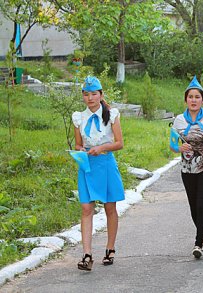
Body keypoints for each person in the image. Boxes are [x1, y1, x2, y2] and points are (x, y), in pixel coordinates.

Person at [72, 76, 125, 271]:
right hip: (87, 165)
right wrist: (81, 150)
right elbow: (78, 142)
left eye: (94, 94)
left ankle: (110, 249)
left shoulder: (111, 115)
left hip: (106, 164)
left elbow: (119, 143)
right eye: (86, 94)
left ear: (101, 95)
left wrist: (101, 148)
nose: (90, 98)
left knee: (110, 208)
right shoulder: (79, 117)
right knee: (86, 208)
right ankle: (87, 254)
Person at [171, 76, 203, 259]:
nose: (193, 100)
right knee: (194, 206)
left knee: (202, 204)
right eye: (190, 97)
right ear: (186, 99)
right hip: (187, 170)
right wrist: (179, 147)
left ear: (202, 99)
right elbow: (171, 145)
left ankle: (198, 242)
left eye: (197, 97)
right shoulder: (178, 120)